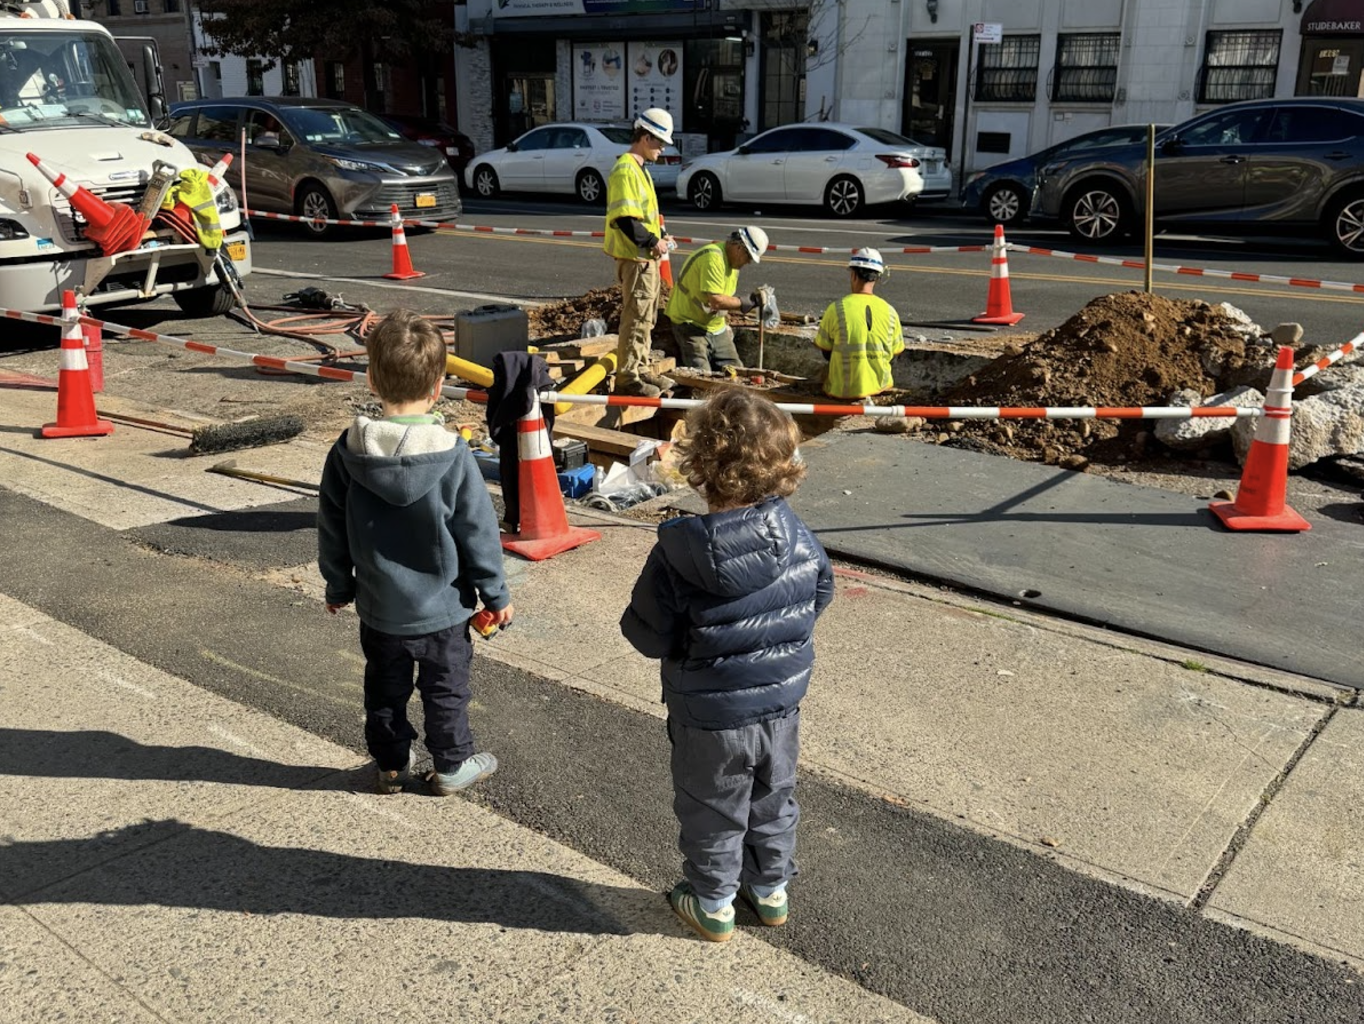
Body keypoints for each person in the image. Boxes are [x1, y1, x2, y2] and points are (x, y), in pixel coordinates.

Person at [620, 390, 834, 943]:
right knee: (773, 795)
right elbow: (821, 594)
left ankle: (713, 901)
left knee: (711, 803)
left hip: (708, 713)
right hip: (782, 704)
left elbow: (645, 633)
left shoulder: (678, 551)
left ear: (700, 468)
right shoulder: (798, 536)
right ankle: (770, 892)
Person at [317, 309, 513, 797]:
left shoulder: (348, 451)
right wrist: (494, 592)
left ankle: (388, 766)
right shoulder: (451, 454)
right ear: (439, 385)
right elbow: (477, 531)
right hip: (444, 609)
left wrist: (339, 583)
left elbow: (332, 528)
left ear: (371, 379)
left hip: (380, 608)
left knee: (384, 690)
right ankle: (450, 764)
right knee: (446, 690)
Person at [604, 107, 677, 398]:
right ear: (645, 138)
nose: (662, 149)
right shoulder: (626, 169)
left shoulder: (639, 169)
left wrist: (659, 237)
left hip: (645, 259)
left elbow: (641, 216)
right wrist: (651, 242)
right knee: (635, 319)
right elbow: (624, 219)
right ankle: (628, 378)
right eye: (660, 143)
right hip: (636, 259)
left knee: (647, 317)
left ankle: (641, 367)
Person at [663, 225, 771, 372]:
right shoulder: (713, 258)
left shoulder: (733, 265)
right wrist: (749, 302)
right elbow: (716, 301)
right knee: (701, 376)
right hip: (689, 324)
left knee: (736, 372)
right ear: (739, 247)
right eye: (749, 257)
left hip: (715, 327)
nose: (748, 262)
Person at [814, 248, 905, 400]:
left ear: (854, 275)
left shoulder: (836, 309)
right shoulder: (890, 312)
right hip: (879, 387)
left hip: (841, 390)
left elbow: (826, 351)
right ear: (877, 278)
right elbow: (895, 354)